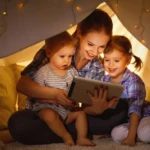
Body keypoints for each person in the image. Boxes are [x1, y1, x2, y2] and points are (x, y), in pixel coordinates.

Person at [8, 9, 128, 145]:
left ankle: (68, 133)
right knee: (18, 123)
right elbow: (22, 84)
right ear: (79, 33)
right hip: (43, 114)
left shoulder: (98, 66)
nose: (95, 52)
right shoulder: (57, 47)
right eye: (90, 44)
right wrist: (55, 95)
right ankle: (76, 133)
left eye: (102, 47)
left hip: (71, 116)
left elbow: (85, 108)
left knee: (121, 108)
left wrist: (96, 109)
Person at [28, 31, 95, 146]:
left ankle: (81, 137)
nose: (67, 60)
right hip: (47, 109)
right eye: (62, 56)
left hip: (66, 111)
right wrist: (52, 100)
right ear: (49, 54)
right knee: (49, 115)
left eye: (70, 56)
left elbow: (77, 91)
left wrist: (75, 100)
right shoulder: (43, 72)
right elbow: (35, 96)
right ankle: (66, 135)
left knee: (80, 114)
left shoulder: (72, 71)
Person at [102, 35, 146, 146]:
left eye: (116, 60)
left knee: (145, 133)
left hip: (143, 117)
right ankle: (137, 135)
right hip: (126, 121)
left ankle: (137, 135)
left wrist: (131, 137)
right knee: (116, 134)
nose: (110, 64)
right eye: (107, 60)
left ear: (128, 60)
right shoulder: (104, 80)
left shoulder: (134, 81)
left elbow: (135, 110)